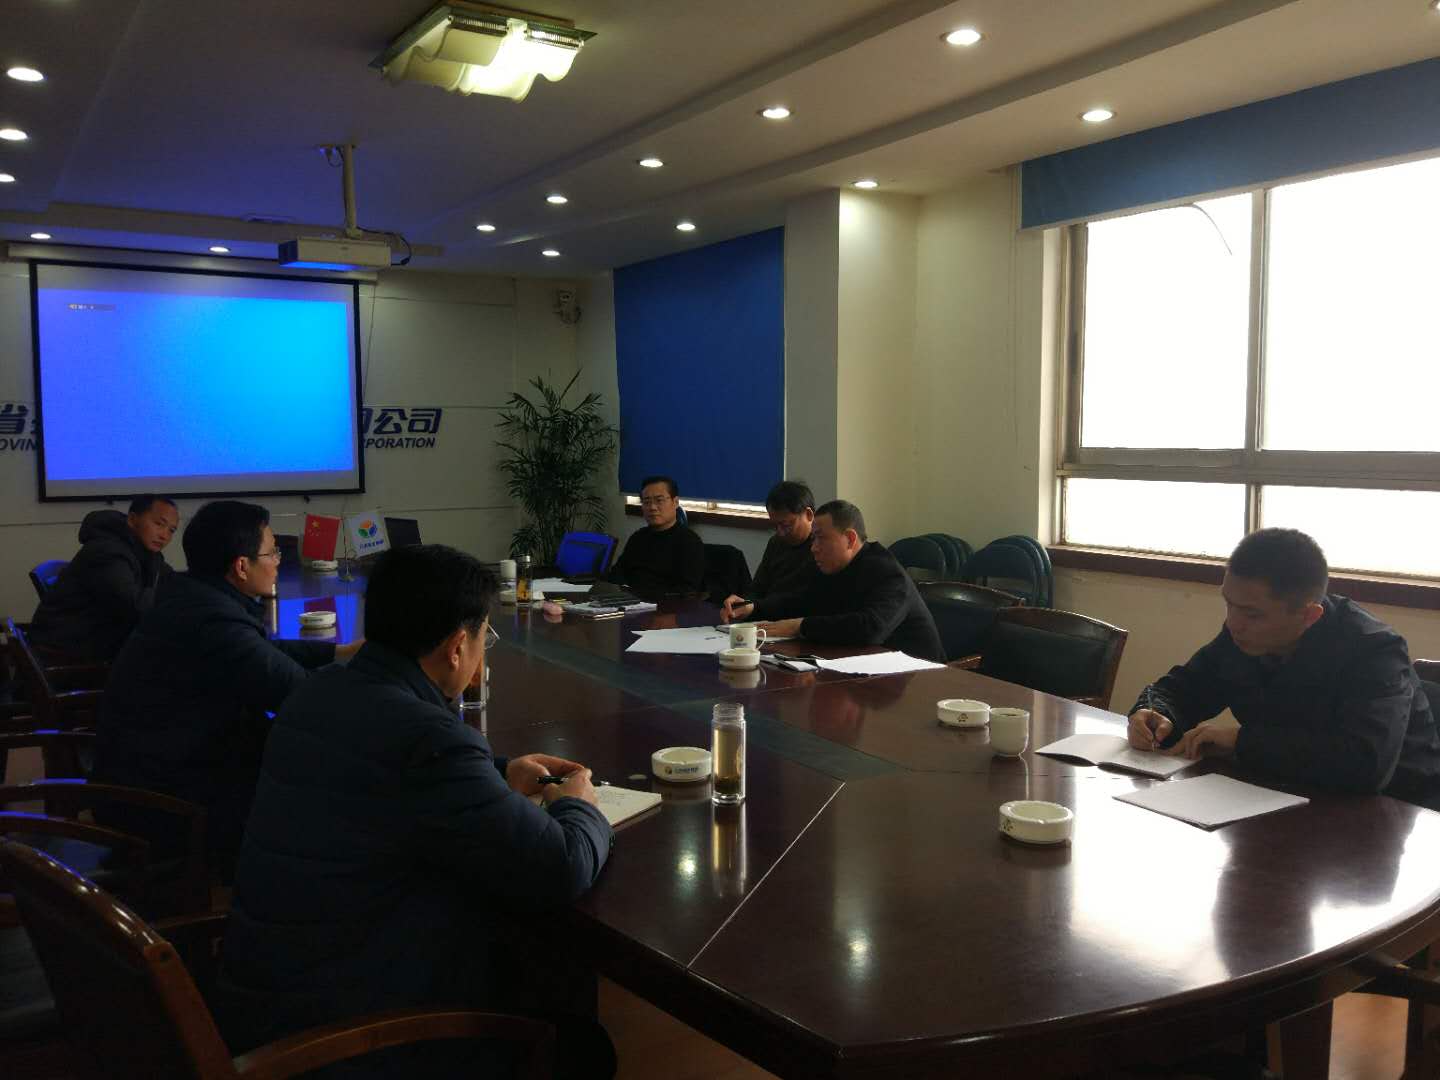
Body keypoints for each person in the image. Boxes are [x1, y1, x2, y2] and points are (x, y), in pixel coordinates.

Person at [220, 544, 614, 1078]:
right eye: (483, 637)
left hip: (267, 989)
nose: (482, 651)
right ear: (456, 647)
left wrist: (497, 772)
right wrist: (579, 806)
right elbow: (561, 865)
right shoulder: (428, 738)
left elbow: (386, 775)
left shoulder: (321, 690)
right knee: (577, 1036)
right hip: (353, 1033)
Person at [96, 500, 359, 858]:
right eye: (272, 552)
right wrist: (371, 682)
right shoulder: (212, 619)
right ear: (241, 566)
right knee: (323, 779)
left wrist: (341, 652)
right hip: (164, 801)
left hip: (157, 769)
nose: (278, 561)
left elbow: (265, 649)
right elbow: (299, 693)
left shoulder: (197, 595)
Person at [1127, 527, 1440, 809]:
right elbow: (1186, 687)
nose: (1233, 622)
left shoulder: (1375, 651)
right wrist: (1155, 713)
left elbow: (1365, 764)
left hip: (1393, 813)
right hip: (1281, 795)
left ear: (1309, 616)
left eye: (1252, 614)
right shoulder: (1242, 636)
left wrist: (1241, 741)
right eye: (1229, 604)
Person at [722, 500, 944, 663]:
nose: (813, 548)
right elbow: (801, 601)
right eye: (813, 539)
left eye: (821, 538)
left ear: (850, 539)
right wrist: (754, 607)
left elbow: (871, 628)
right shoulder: (831, 566)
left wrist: (799, 627)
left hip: (919, 678)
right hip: (861, 668)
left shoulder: (888, 573)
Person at [28, 494, 180, 661]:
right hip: (67, 647)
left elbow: (173, 582)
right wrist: (175, 599)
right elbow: (134, 605)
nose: (164, 536)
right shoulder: (108, 552)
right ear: (132, 520)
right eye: (159, 524)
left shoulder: (146, 554)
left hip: (95, 638)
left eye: (171, 530)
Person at [606, 475, 704, 597]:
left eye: (659, 500)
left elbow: (687, 590)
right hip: (628, 602)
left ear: (675, 502)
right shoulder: (638, 537)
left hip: (665, 605)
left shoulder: (689, 542)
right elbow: (616, 575)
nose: (652, 507)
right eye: (646, 502)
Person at [749, 479, 818, 599]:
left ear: (808, 515)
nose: (780, 533)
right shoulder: (775, 542)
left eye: (786, 525)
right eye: (775, 526)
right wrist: (743, 603)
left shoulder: (821, 548)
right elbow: (757, 588)